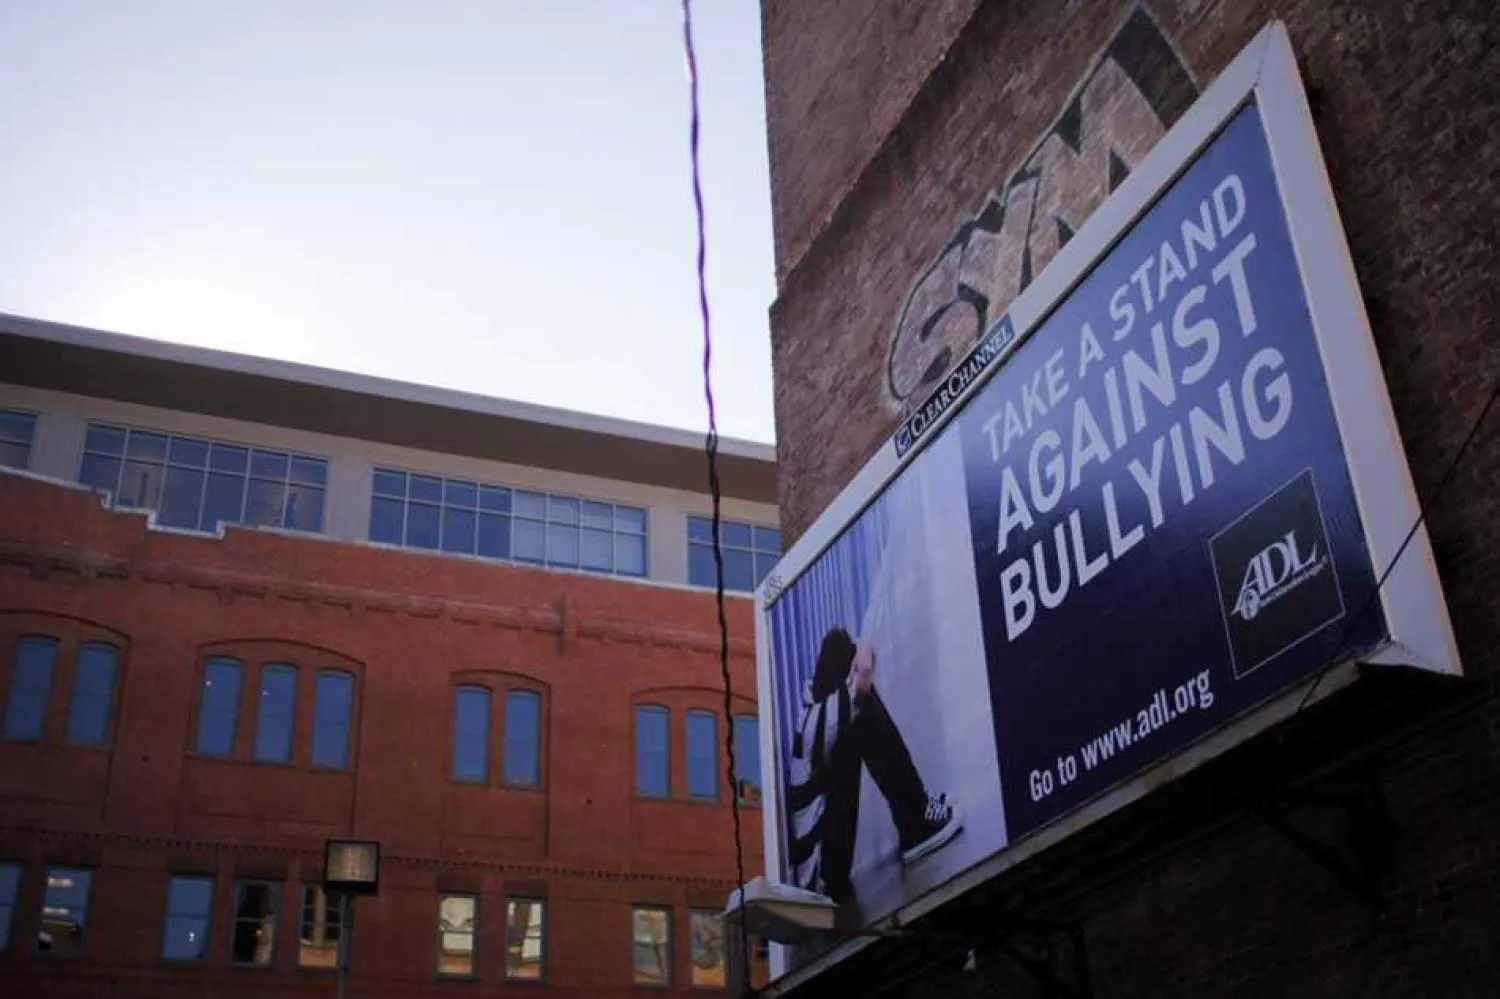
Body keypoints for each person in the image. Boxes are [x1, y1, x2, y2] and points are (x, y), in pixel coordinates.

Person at [786, 627, 962, 904]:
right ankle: (915, 820)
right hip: (821, 881)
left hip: (825, 864)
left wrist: (861, 654)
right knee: (861, 713)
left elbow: (862, 654)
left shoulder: (817, 708)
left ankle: (914, 811)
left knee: (857, 712)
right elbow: (862, 683)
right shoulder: (818, 722)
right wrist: (863, 661)